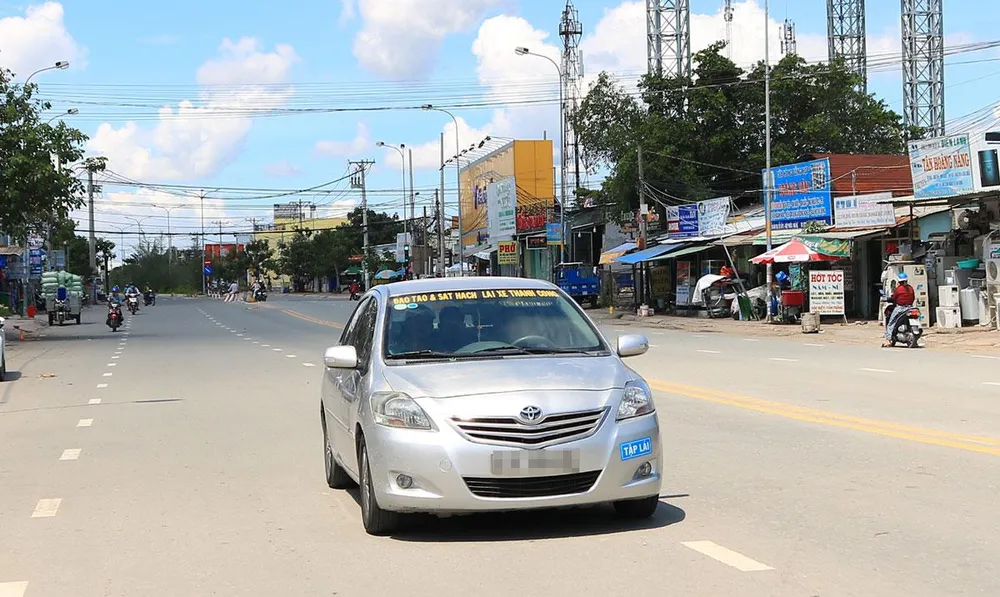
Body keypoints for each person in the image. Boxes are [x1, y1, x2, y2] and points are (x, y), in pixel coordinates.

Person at [883, 272, 915, 347]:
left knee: (891, 323)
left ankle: (888, 340)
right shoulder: (910, 288)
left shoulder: (898, 289)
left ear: (899, 281)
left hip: (900, 308)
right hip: (910, 307)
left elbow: (894, 298)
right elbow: (913, 298)